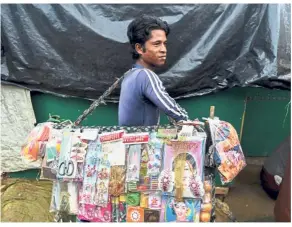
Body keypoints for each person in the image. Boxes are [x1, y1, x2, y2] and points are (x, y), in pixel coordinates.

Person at [119, 15, 189, 126]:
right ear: (139, 48)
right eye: (157, 44)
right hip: (141, 142)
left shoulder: (130, 75)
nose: (163, 50)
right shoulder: (145, 75)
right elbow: (172, 109)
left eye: (164, 43)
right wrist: (187, 120)